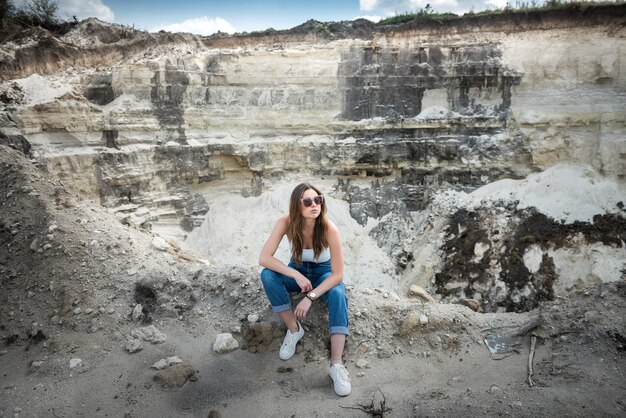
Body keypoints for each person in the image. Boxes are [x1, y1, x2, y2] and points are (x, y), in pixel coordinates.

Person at [259, 183, 351, 397]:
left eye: (318, 199)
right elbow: (264, 258)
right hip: (298, 271)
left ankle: (336, 365)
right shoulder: (286, 223)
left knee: (338, 293)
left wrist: (310, 296)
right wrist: (295, 274)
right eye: (307, 201)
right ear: (296, 205)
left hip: (324, 274)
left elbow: (338, 275)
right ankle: (294, 329)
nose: (314, 205)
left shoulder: (329, 228)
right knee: (267, 275)